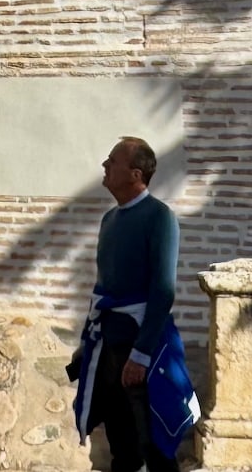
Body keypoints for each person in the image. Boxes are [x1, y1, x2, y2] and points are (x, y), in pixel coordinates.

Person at [68, 136, 198, 472]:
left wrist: (140, 355)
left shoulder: (160, 217)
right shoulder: (109, 220)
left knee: (152, 445)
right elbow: (104, 286)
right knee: (121, 444)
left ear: (135, 174)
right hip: (110, 345)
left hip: (143, 349)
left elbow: (162, 291)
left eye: (113, 160)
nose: (105, 165)